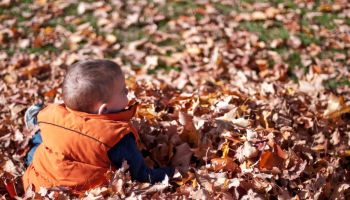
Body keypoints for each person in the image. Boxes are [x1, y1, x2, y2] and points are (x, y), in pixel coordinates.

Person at [22, 59, 175, 194]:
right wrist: (173, 172)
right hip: (76, 192)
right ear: (104, 110)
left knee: (44, 142)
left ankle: (36, 128)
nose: (128, 91)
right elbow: (142, 176)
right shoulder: (116, 138)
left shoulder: (52, 115)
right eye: (123, 91)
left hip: (36, 184)